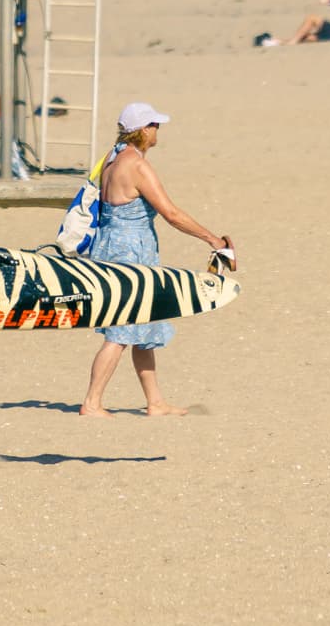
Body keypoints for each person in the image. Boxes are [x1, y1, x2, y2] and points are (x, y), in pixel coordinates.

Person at [78, 103, 233, 421]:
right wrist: (213, 240)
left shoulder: (112, 157)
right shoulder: (136, 165)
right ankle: (91, 403)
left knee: (143, 327)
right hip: (130, 254)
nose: (158, 130)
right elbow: (172, 214)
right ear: (142, 129)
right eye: (155, 125)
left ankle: (155, 402)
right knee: (121, 332)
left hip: (111, 247)